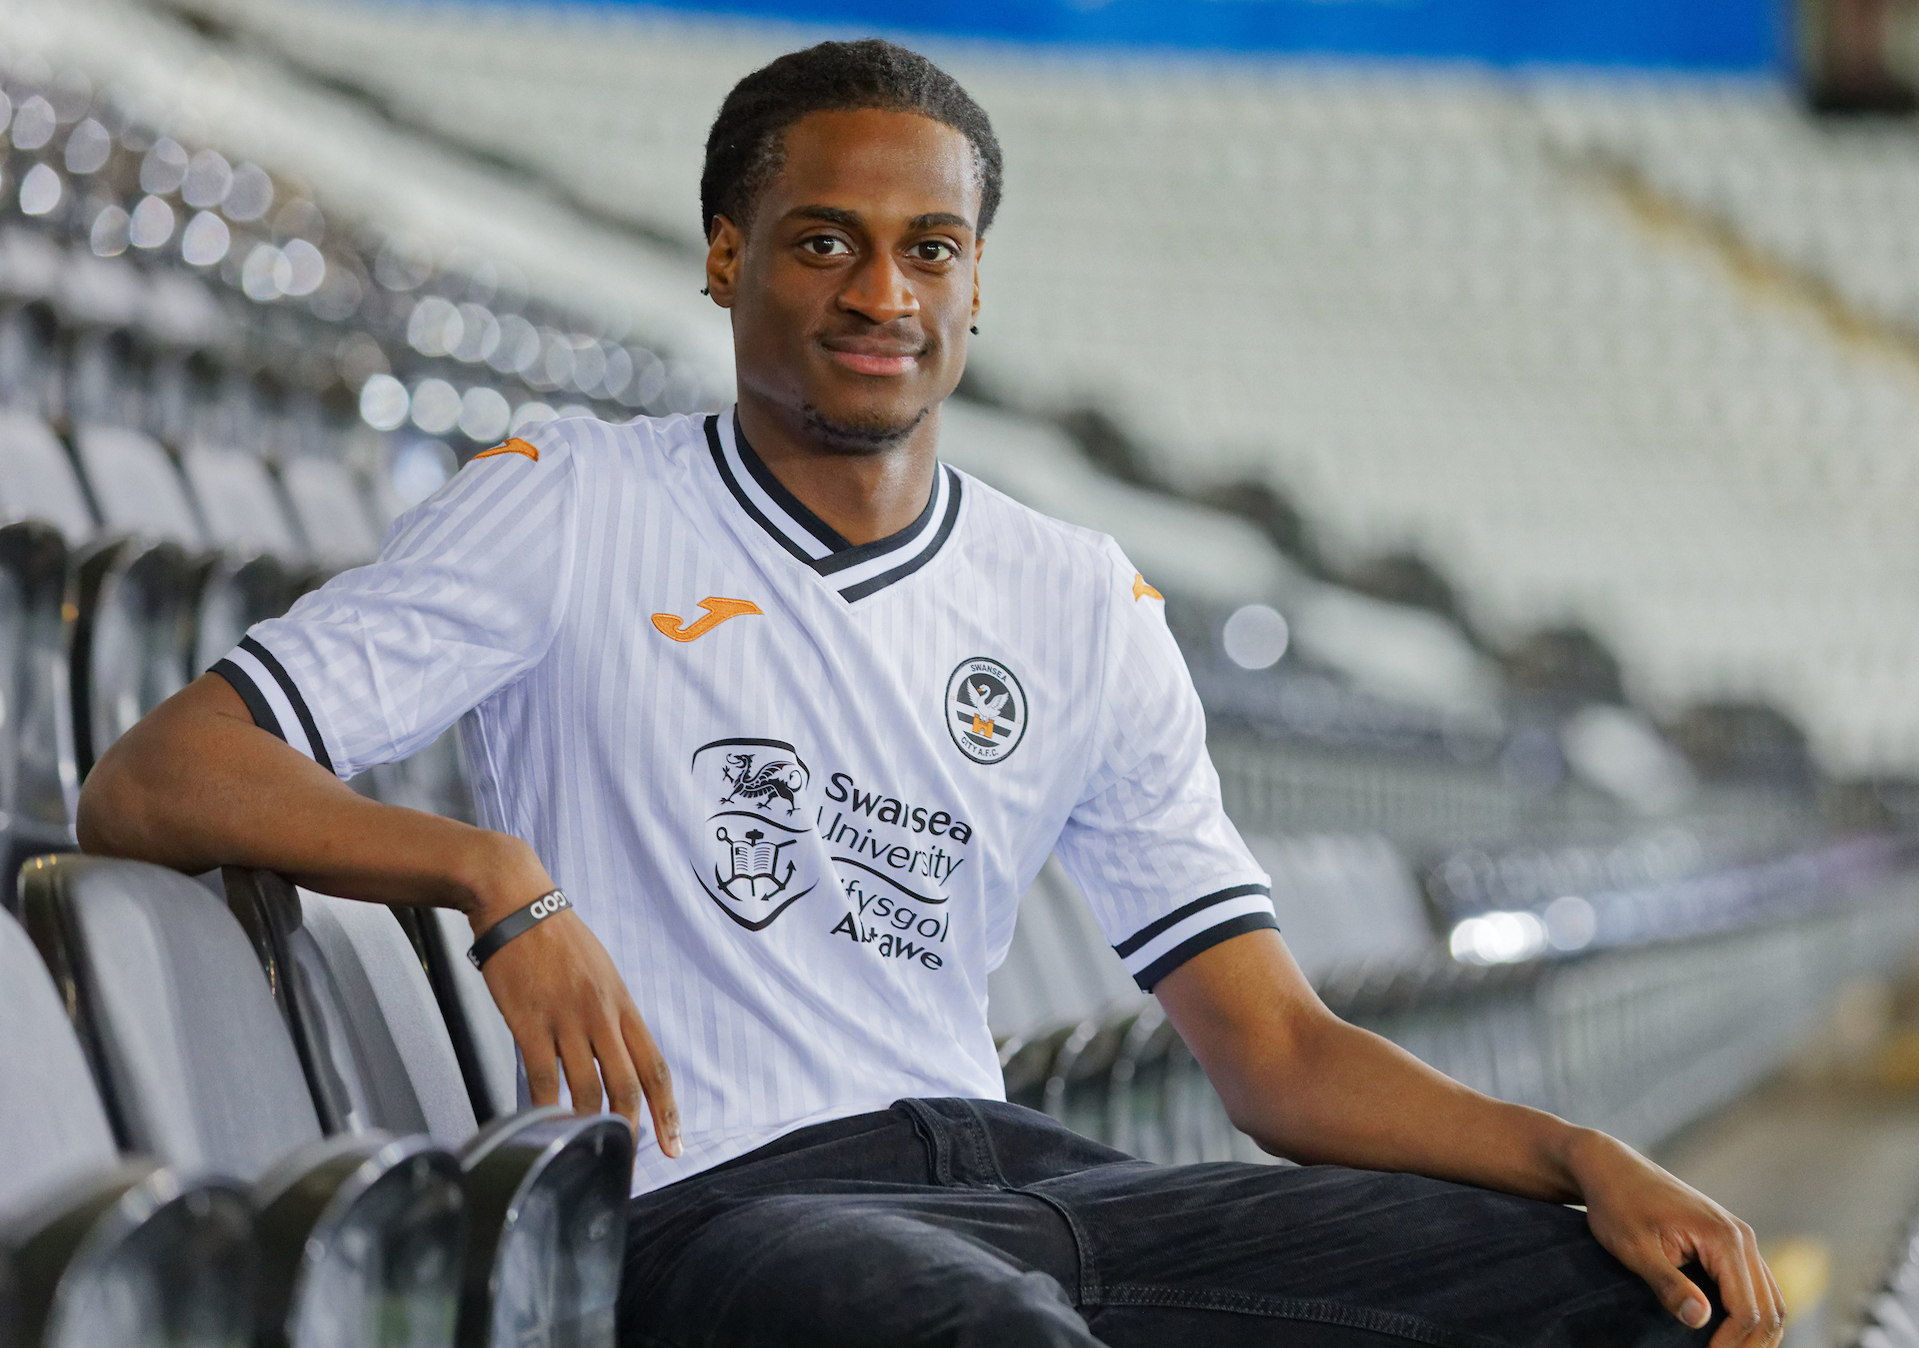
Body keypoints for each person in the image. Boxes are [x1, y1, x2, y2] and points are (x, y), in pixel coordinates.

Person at [78, 38, 1784, 1348]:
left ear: (975, 284)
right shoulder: (575, 503)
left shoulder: (1079, 598)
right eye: (825, 243)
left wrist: (1578, 1154)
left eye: (928, 249)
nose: (881, 294)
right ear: (726, 254)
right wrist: (489, 876)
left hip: (1019, 1172)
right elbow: (155, 778)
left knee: (1632, 1293)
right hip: (711, 1212)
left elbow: (1272, 1051)